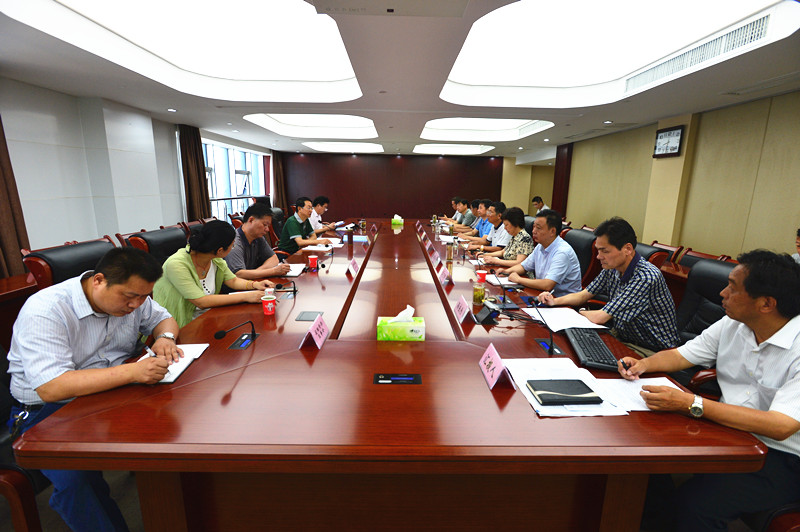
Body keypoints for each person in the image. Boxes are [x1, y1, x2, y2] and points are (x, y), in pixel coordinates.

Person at [619, 250, 800, 531]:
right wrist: (643, 364)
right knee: (646, 460)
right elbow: (682, 355)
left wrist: (691, 403)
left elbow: (781, 426)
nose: (722, 293)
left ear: (766, 303)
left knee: (696, 505)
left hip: (783, 457)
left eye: (733, 288)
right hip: (730, 433)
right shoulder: (734, 323)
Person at [7, 247, 183, 532]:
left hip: (111, 393)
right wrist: (132, 372)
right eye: (129, 297)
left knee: (176, 427)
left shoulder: (134, 297)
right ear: (99, 280)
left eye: (143, 297)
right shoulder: (46, 310)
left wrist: (164, 337)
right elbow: (52, 388)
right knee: (78, 482)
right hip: (47, 413)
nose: (136, 305)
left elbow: (164, 319)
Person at [538, 216, 679, 353]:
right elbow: (583, 295)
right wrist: (554, 301)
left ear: (627, 249)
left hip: (653, 350)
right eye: (598, 250)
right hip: (624, 337)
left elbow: (600, 317)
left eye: (604, 251)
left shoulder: (646, 277)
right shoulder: (612, 268)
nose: (598, 256)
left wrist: (579, 312)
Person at [154, 220, 272, 328]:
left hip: (209, 317)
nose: (233, 247)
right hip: (179, 326)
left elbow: (233, 280)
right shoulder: (176, 264)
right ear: (220, 250)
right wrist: (247, 296)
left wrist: (255, 285)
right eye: (232, 245)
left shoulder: (215, 259)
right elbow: (201, 301)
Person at [497, 209, 582, 296]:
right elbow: (524, 266)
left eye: (538, 228)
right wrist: (506, 272)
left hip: (562, 301)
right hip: (543, 295)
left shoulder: (562, 252)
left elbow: (547, 285)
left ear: (552, 231)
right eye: (533, 227)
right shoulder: (540, 246)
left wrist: (518, 279)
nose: (533, 231)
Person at [224, 203, 291, 280]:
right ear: (251, 220)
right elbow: (239, 274)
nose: (267, 229)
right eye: (265, 225)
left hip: (251, 281)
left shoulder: (258, 237)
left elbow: (273, 258)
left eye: (268, 226)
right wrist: (273, 271)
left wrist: (257, 272)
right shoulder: (234, 241)